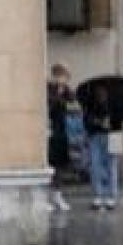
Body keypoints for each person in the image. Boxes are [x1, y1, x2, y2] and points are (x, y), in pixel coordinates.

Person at [82, 85, 121, 210]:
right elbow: (86, 120)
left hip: (113, 136)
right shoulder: (90, 105)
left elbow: (119, 121)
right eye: (99, 92)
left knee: (111, 166)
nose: (101, 94)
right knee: (95, 165)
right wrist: (96, 122)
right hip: (96, 136)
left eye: (103, 92)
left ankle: (111, 196)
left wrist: (111, 121)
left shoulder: (115, 105)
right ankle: (98, 195)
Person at [46, 64, 76, 212]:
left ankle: (57, 195)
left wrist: (63, 90)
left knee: (59, 165)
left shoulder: (65, 91)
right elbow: (50, 105)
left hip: (61, 131)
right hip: (49, 130)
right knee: (49, 163)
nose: (63, 79)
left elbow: (72, 99)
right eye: (61, 75)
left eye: (65, 76)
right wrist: (57, 93)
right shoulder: (48, 89)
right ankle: (47, 196)